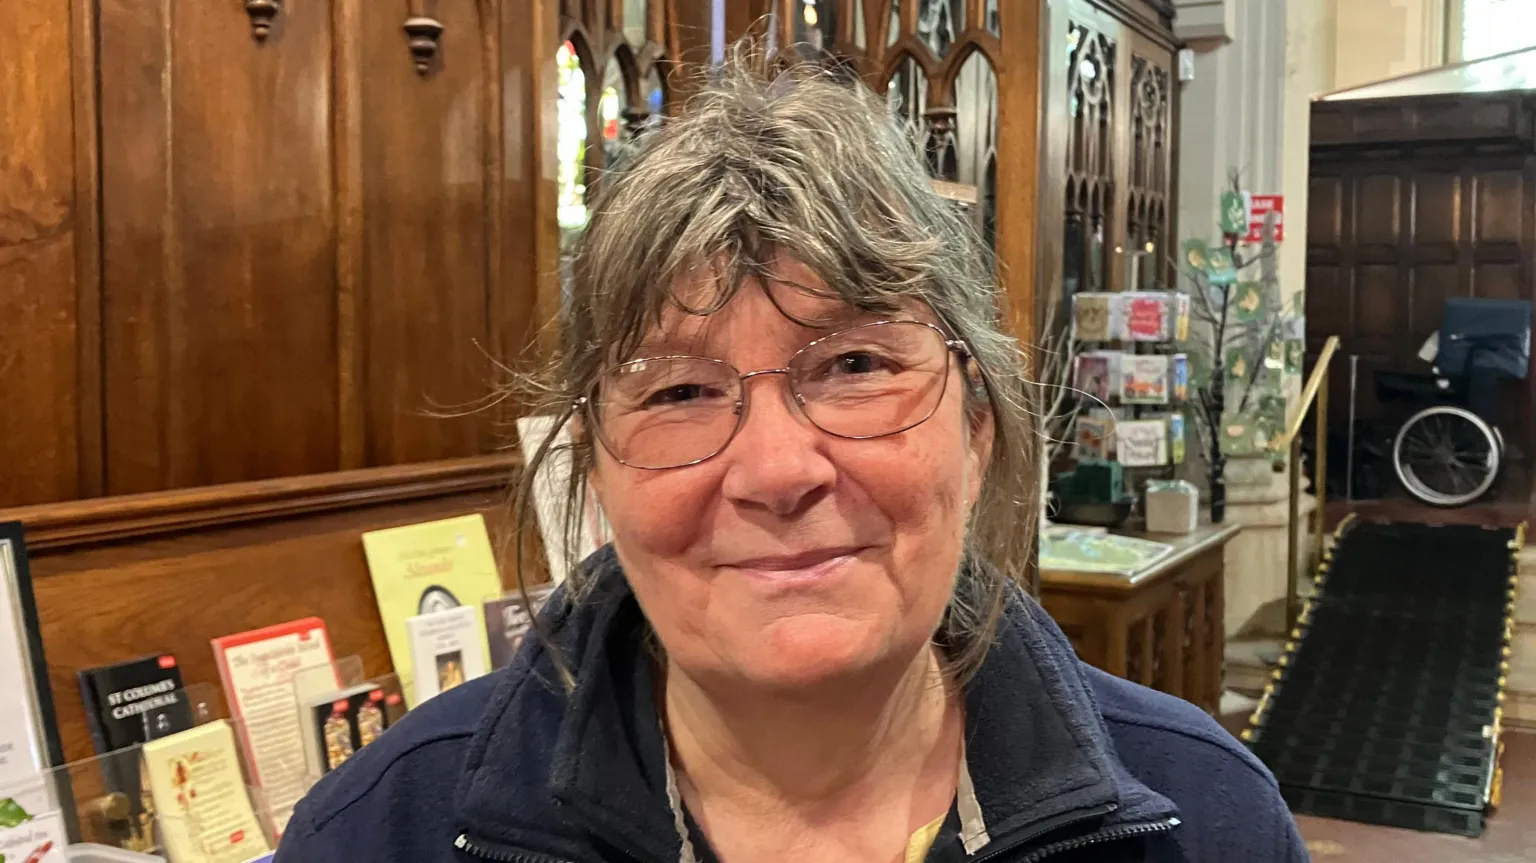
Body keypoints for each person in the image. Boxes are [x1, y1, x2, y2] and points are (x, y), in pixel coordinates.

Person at [274, 53, 1306, 863]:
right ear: (592, 467)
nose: (777, 470)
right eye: (679, 390)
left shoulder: (1204, 825)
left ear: (977, 421)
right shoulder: (381, 834)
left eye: (856, 364)